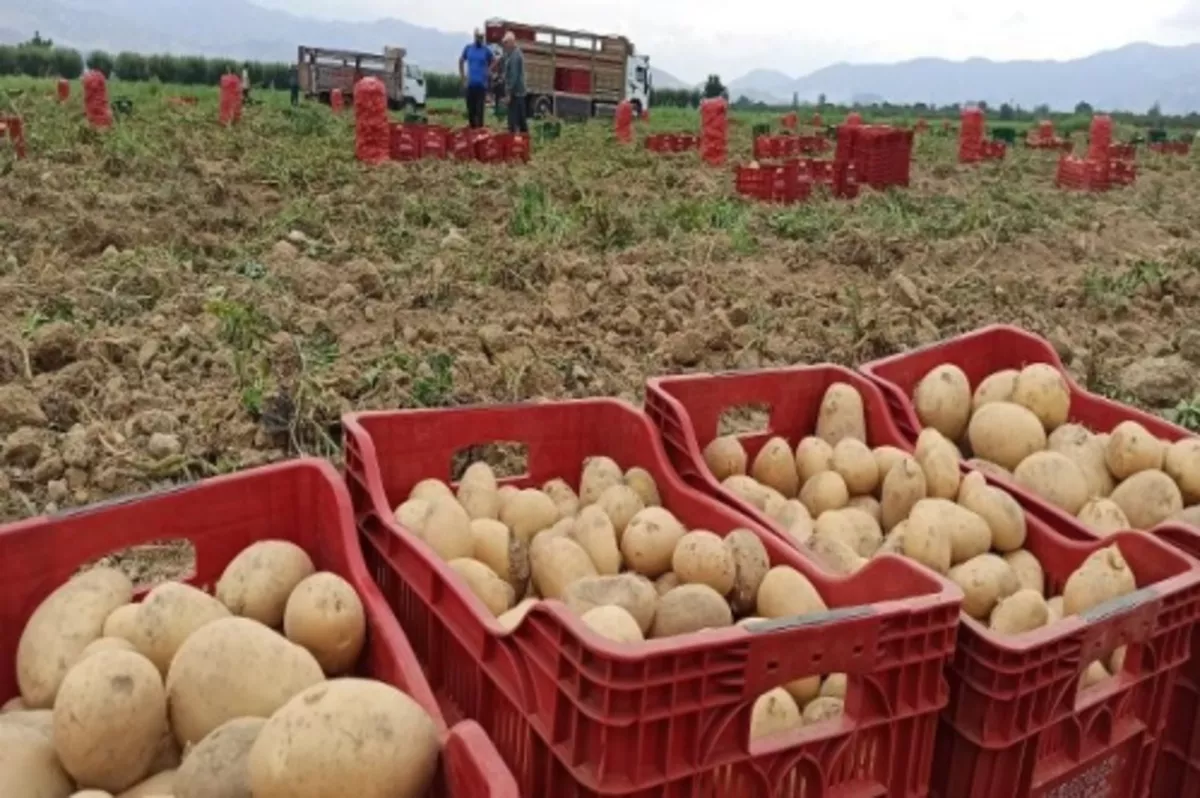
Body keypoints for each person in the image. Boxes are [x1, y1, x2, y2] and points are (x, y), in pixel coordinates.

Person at [459, 30, 494, 129]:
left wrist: (489, 70)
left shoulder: (486, 50)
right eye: (479, 37)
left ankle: (480, 134)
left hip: (481, 86)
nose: (481, 39)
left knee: (479, 112)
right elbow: (461, 61)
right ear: (475, 37)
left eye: (482, 38)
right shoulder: (468, 48)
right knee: (471, 111)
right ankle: (472, 132)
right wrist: (463, 77)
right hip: (470, 85)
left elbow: (494, 60)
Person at [501, 31, 527, 134]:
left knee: (514, 120)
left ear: (512, 42)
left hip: (516, 93)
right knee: (520, 119)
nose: (505, 45)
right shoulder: (511, 54)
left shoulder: (515, 56)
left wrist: (509, 94)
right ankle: (523, 138)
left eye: (506, 43)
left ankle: (516, 141)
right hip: (517, 93)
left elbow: (514, 76)